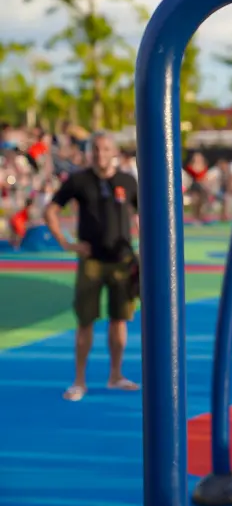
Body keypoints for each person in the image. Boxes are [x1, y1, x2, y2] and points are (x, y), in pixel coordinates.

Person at [44, 132, 140, 402]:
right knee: (85, 321)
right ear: (89, 152)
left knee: (119, 319)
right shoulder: (79, 180)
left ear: (114, 152)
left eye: (106, 149)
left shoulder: (127, 181)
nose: (100, 154)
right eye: (95, 149)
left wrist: (143, 247)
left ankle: (116, 375)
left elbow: (143, 213)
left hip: (122, 261)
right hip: (91, 262)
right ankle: (79, 381)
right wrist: (67, 243)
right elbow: (50, 210)